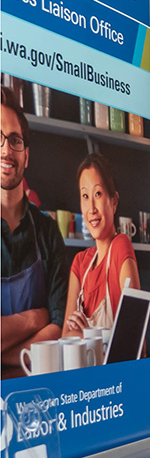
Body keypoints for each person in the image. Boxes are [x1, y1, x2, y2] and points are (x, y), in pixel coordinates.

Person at [1, 86, 69, 378]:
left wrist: (6, 361)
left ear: (26, 155)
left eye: (15, 141)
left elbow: (59, 327)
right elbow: (45, 323)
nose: (6, 150)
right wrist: (32, 320)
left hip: (43, 394)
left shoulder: (49, 232)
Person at [63, 152, 141, 336]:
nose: (91, 208)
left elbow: (134, 340)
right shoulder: (80, 263)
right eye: (85, 196)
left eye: (97, 193)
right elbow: (65, 337)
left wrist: (86, 334)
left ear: (113, 202)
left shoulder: (120, 246)